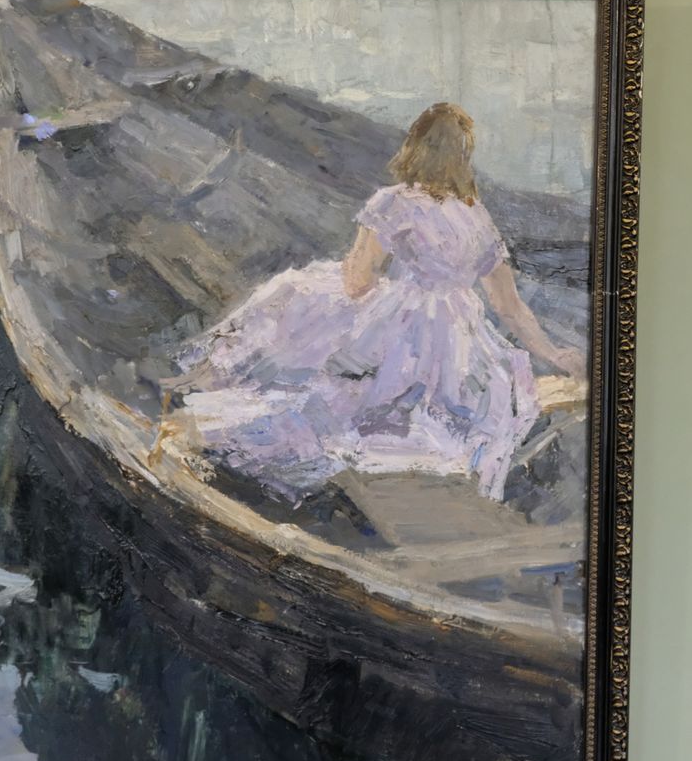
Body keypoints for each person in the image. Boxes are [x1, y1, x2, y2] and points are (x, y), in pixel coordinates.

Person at [169, 102, 584, 504]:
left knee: (299, 303)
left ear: (415, 147)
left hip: (406, 330)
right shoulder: (476, 215)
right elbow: (509, 306)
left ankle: (204, 415)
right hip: (462, 344)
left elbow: (357, 282)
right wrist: (554, 353)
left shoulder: (394, 201)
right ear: (462, 158)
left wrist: (358, 290)